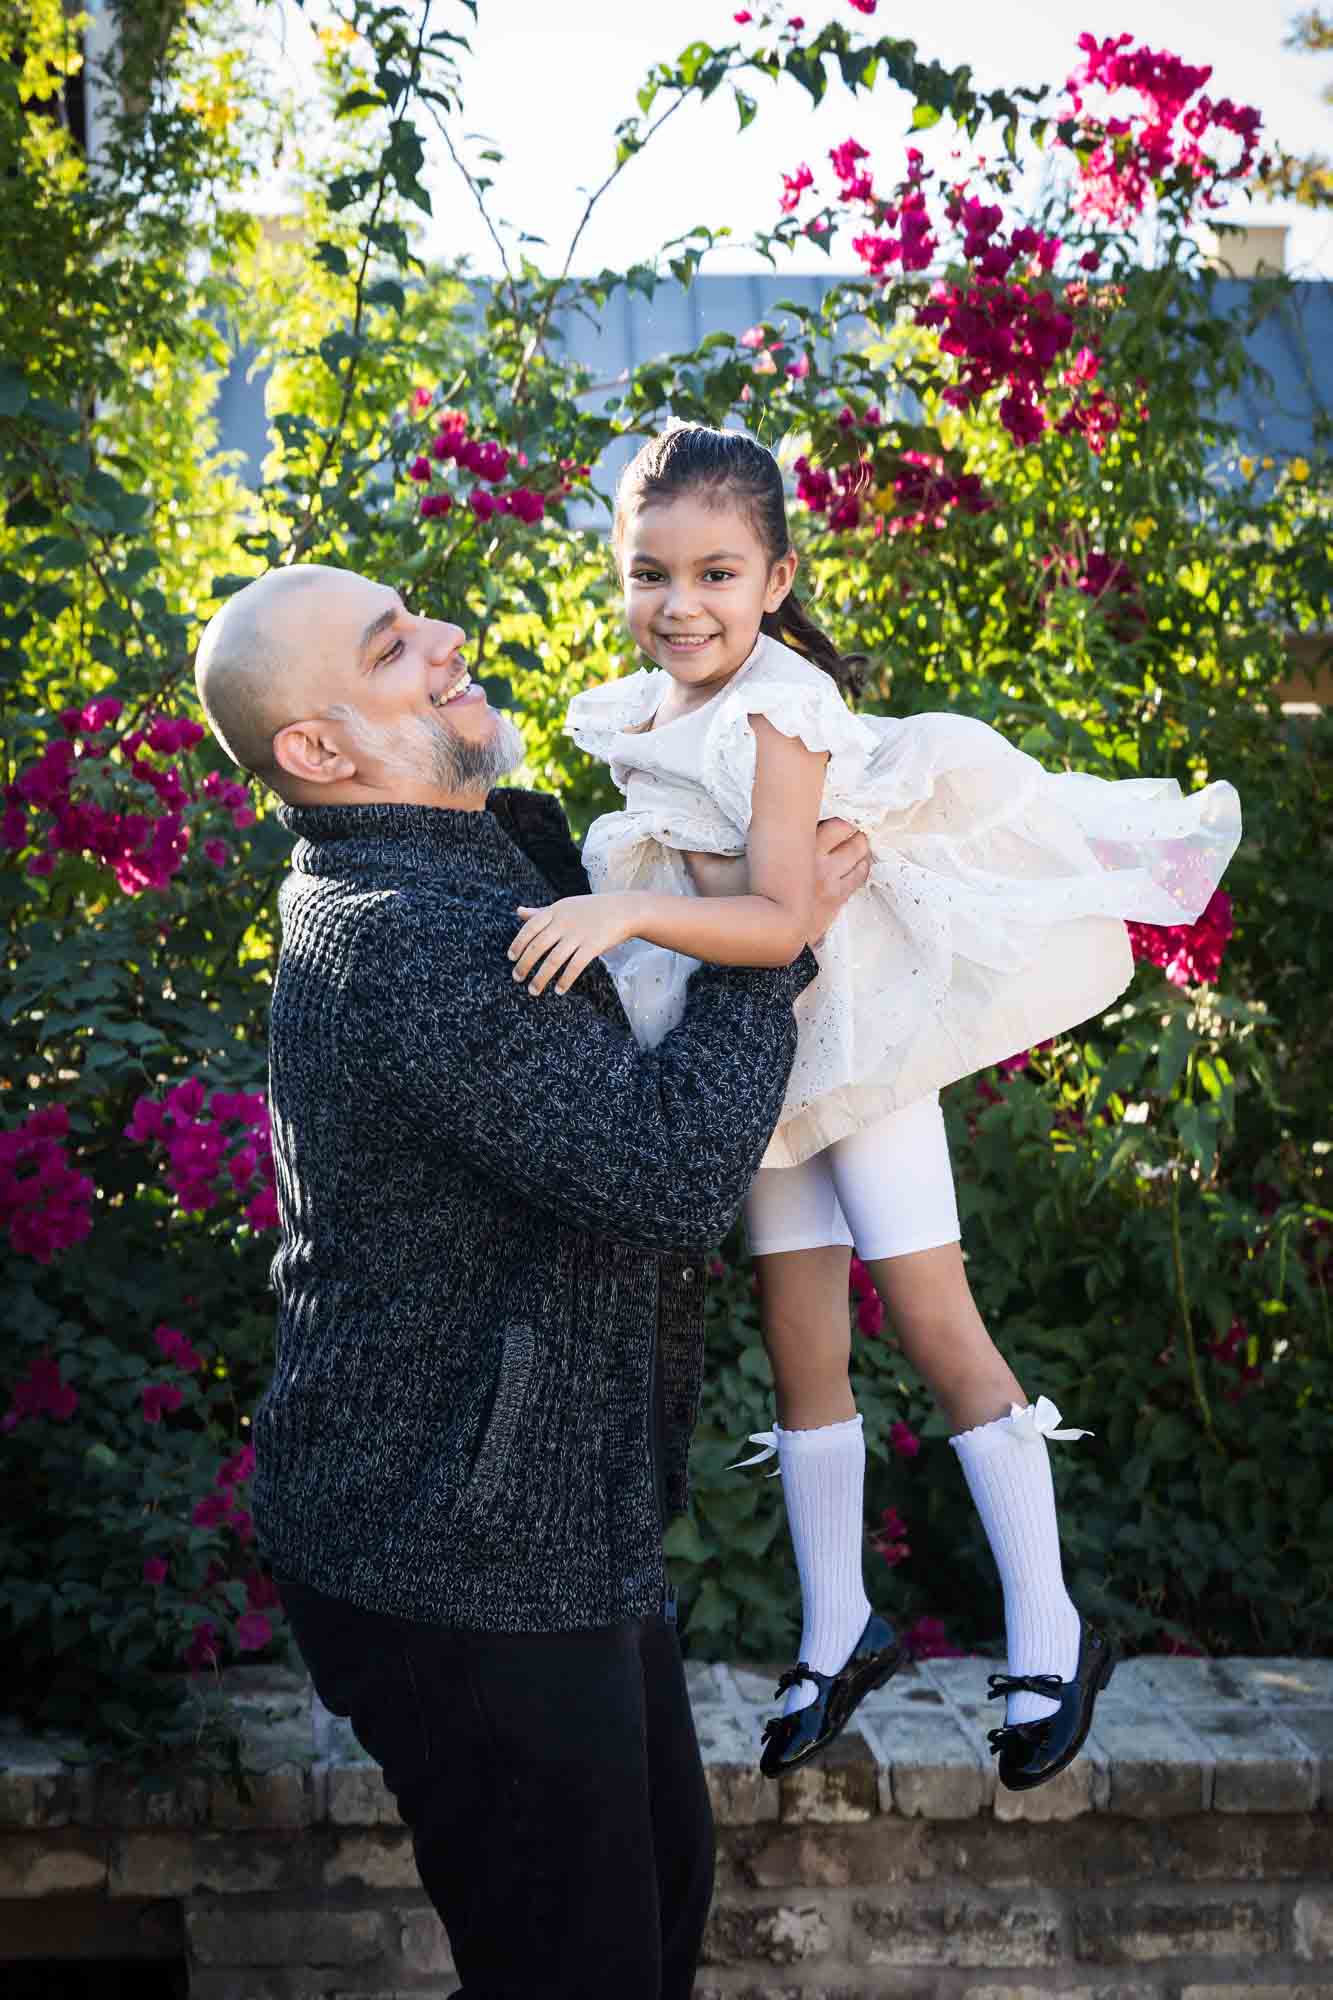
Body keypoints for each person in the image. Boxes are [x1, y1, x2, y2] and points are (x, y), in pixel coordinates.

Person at [507, 423, 1243, 1790]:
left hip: (852, 1035)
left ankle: (1048, 1625)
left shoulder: (778, 708)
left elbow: (785, 917)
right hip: (755, 1051)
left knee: (928, 1314)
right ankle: (837, 1627)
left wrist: (618, 909)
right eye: (647, 574)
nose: (679, 605)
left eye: (716, 573)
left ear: (776, 576)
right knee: (799, 1341)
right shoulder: (645, 707)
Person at [191, 559, 872, 2000]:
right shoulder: (406, 941)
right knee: (582, 1969)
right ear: (320, 752)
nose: (444, 637)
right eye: (393, 650)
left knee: (646, 1910)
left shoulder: (468, 863)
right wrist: (775, 932)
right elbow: (669, 1175)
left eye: (419, 615)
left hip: (538, 1521)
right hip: (454, 1553)